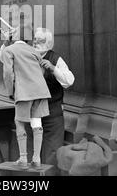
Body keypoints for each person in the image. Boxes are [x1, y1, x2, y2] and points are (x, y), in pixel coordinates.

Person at [2, 24, 51, 169]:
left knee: (19, 122)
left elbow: (7, 74)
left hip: (24, 93)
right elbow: (41, 70)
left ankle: (23, 158)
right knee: (37, 124)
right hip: (41, 91)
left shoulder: (9, 50)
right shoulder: (34, 51)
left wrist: (11, 92)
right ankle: (36, 159)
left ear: (16, 36)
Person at [33, 28, 75, 172]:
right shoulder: (26, 54)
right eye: (35, 39)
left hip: (52, 111)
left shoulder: (56, 58)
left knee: (52, 151)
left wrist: (53, 68)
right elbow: (5, 58)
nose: (36, 42)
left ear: (48, 43)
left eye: (40, 40)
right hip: (32, 110)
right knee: (31, 151)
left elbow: (69, 80)